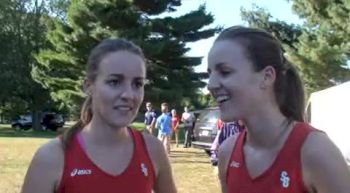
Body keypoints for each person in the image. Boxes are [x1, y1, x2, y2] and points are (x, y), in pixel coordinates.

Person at [21, 39, 176, 193]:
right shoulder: (52, 157)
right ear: (89, 86)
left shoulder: (153, 150)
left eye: (137, 84)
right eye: (114, 82)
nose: (129, 95)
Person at [207, 26, 350, 193]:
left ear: (267, 76)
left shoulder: (316, 152)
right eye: (210, 74)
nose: (211, 85)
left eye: (225, 72)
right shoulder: (227, 152)